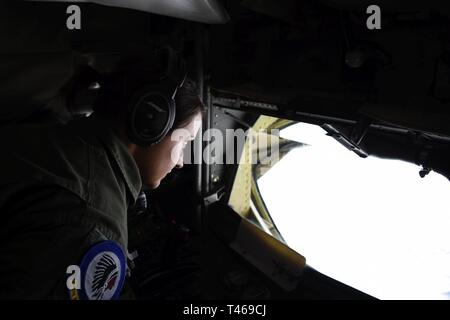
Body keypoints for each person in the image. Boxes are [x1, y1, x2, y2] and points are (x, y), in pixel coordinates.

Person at [0, 56, 204, 299]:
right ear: (151, 121)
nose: (181, 161)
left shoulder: (57, 140)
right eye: (184, 141)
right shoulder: (90, 222)